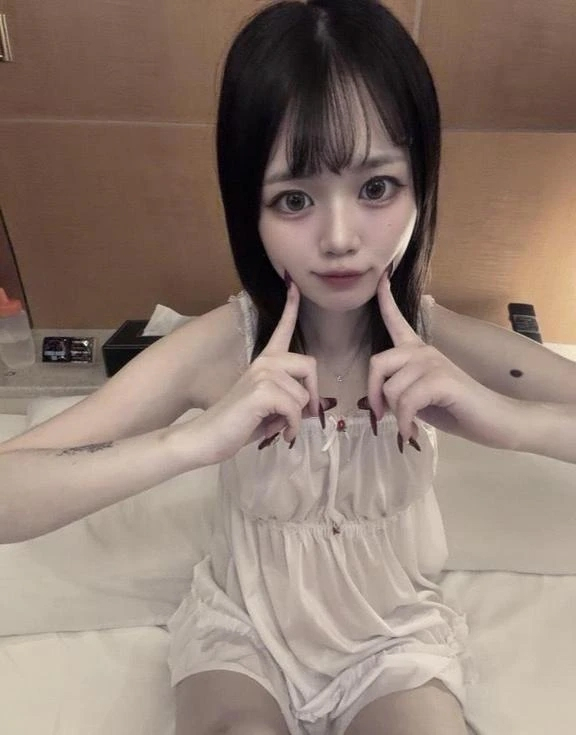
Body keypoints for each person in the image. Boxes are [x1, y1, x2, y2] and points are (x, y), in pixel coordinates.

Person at [1, 0, 575, 733]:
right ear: (251, 210)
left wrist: (513, 423)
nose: (339, 238)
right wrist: (190, 442)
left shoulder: (441, 343)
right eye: (294, 198)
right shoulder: (221, 348)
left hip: (392, 640)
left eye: (376, 188)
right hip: (241, 640)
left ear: (421, 185)